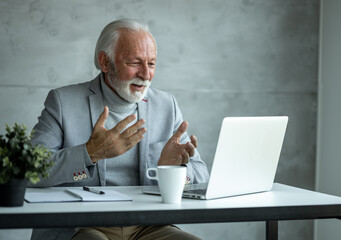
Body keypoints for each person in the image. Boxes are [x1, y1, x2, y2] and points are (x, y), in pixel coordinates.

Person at [29, 18, 209, 240]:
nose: (146, 74)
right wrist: (89, 153)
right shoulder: (62, 102)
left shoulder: (166, 105)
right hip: (81, 225)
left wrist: (174, 170)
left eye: (151, 63)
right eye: (135, 63)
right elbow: (29, 171)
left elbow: (201, 174)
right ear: (105, 62)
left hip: (148, 226)